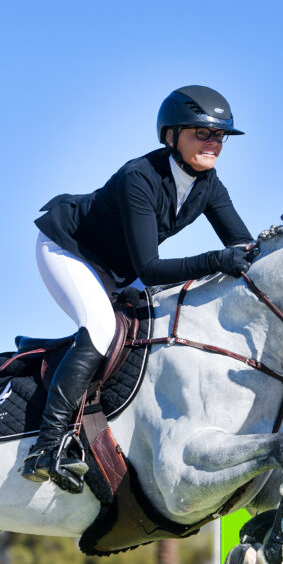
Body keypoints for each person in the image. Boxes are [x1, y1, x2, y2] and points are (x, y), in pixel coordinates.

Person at [22, 85, 256, 492]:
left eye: (219, 136)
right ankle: (47, 446)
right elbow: (150, 269)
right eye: (202, 133)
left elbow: (242, 245)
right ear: (171, 135)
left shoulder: (210, 186)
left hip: (118, 266)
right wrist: (217, 261)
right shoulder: (140, 177)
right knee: (100, 327)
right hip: (70, 249)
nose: (213, 143)